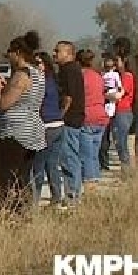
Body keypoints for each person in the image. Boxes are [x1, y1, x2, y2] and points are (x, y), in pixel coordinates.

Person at [0, 33, 46, 214]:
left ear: (18, 53)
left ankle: (13, 214)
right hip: (32, 132)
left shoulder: (21, 75)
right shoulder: (38, 73)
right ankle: (23, 213)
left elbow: (4, 103)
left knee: (7, 178)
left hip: (15, 133)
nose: (8, 57)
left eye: (9, 52)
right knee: (23, 176)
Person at [33, 51, 66, 209]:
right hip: (58, 124)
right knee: (52, 164)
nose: (36, 66)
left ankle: (34, 201)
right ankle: (56, 197)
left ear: (45, 64)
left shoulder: (41, 82)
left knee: (38, 165)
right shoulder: (54, 80)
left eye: (38, 63)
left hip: (46, 125)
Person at [54, 41, 85, 205]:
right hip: (73, 118)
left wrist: (60, 116)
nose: (54, 54)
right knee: (70, 156)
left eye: (58, 51)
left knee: (69, 157)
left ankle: (73, 194)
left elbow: (68, 97)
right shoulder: (70, 69)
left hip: (70, 119)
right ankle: (73, 192)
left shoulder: (69, 70)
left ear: (68, 53)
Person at [77, 49, 110, 192]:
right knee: (94, 153)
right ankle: (95, 180)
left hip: (87, 117)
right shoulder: (98, 76)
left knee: (86, 155)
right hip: (101, 116)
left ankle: (90, 185)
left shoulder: (80, 77)